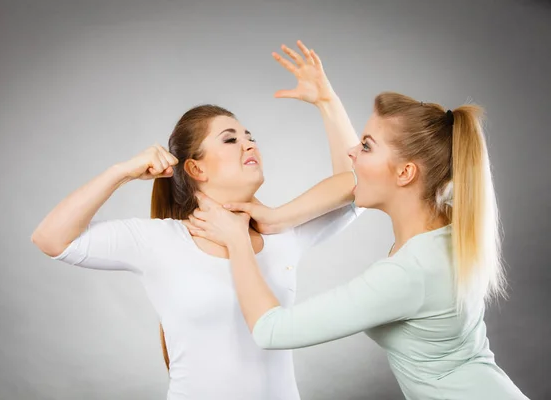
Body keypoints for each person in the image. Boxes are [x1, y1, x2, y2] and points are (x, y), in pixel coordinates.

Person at [30, 41, 363, 400]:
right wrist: (121, 173)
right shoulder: (160, 240)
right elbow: (51, 239)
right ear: (195, 168)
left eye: (250, 138)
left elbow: (361, 186)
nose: (249, 145)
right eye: (231, 139)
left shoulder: (284, 233)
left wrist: (328, 102)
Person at [186, 92, 530, 399]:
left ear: (406, 173)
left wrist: (236, 240)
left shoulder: (411, 273)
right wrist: (326, 101)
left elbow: (270, 329)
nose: (352, 152)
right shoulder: (447, 224)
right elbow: (349, 187)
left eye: (366, 146)